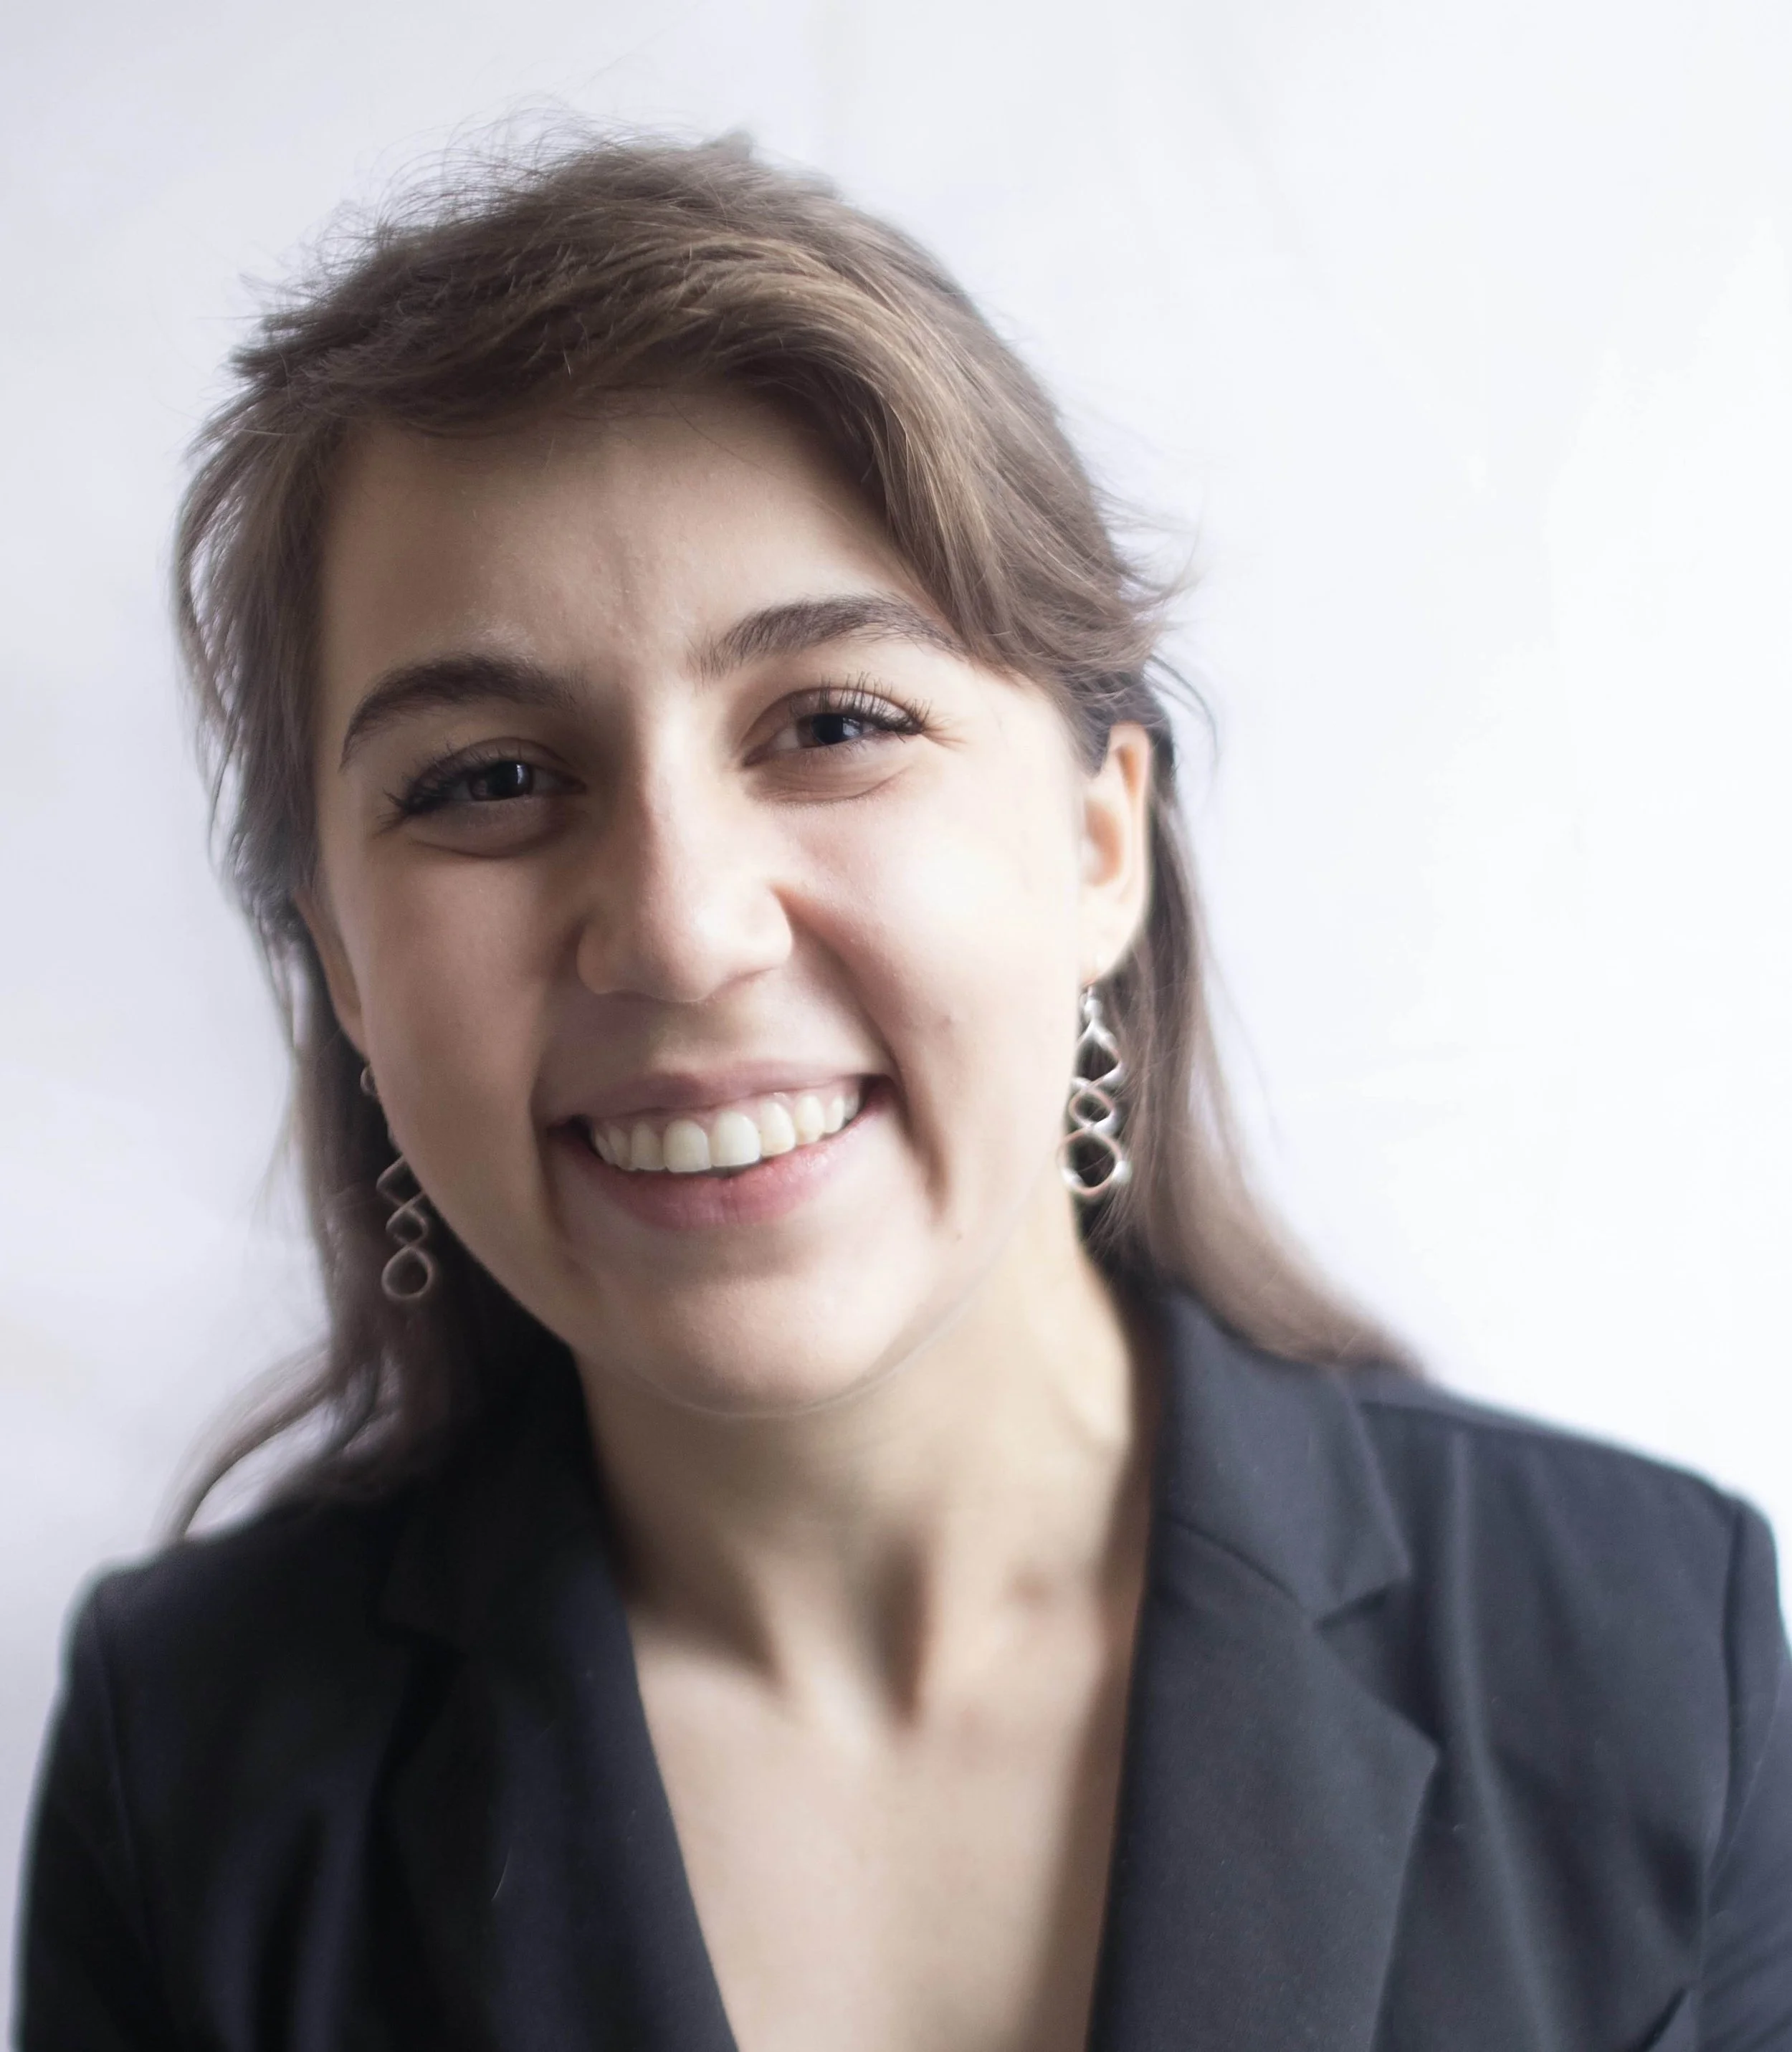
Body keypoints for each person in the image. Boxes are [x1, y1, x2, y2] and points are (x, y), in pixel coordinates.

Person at [16, 134, 1791, 2052]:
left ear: (1102, 840)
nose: (684, 931)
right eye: (483, 780)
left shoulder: (1645, 1655)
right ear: (345, 965)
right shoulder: (182, 1759)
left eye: (835, 723)